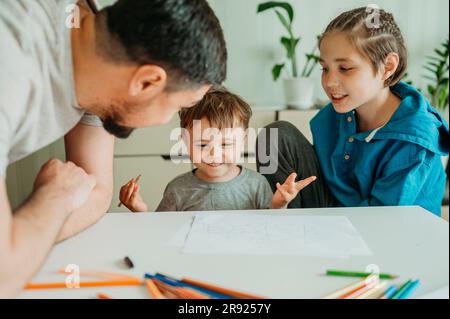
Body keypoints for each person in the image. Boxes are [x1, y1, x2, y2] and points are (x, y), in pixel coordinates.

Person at [0, 0, 227, 297]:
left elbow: (96, 190)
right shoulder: (11, 66)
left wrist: (25, 237)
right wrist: (54, 198)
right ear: (146, 82)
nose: (167, 121)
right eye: (179, 107)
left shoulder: (95, 53)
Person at [257, 7, 449, 216]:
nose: (329, 81)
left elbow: (383, 221)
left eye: (345, 68)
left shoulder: (414, 144)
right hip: (333, 215)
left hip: (385, 230)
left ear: (387, 67)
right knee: (273, 136)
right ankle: (279, 220)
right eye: (325, 68)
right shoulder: (344, 108)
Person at [119, 87, 317, 212]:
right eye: (203, 144)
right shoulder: (178, 189)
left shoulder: (257, 185)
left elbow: (269, 228)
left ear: (243, 141)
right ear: (185, 141)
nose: (213, 153)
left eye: (225, 144)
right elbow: (162, 232)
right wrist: (140, 210)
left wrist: (280, 204)